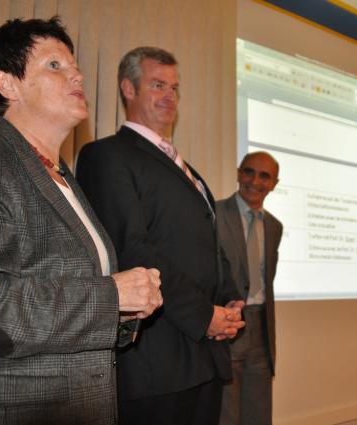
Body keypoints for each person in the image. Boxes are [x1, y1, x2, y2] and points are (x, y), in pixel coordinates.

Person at [0, 17, 163, 425]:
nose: (77, 75)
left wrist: (122, 314)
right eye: (55, 65)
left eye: (74, 66)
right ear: (8, 85)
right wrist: (110, 297)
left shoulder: (61, 176)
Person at [76, 46, 245, 425]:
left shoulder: (187, 168)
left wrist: (229, 299)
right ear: (128, 89)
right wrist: (204, 315)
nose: (170, 95)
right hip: (158, 362)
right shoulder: (107, 155)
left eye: (174, 87)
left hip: (205, 354)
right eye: (157, 85)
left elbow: (208, 244)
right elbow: (130, 249)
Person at [216, 152, 282, 425]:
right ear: (238, 173)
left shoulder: (275, 226)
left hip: (261, 330)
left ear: (274, 184)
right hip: (227, 325)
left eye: (264, 176)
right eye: (249, 171)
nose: (255, 181)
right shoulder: (214, 213)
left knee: (258, 414)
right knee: (226, 414)